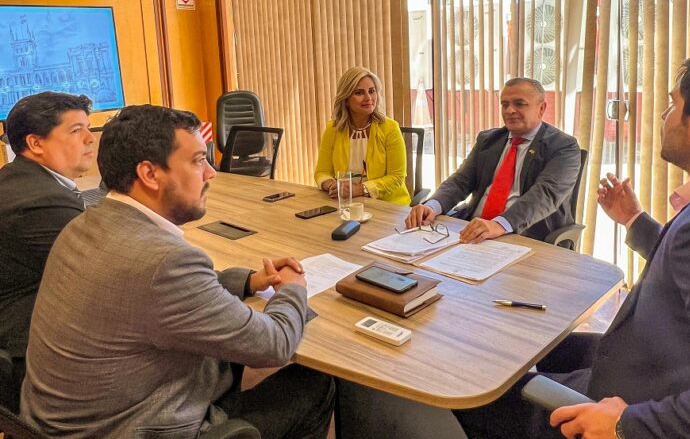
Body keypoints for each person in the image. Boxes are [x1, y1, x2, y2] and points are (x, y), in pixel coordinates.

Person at [454, 46, 690, 439]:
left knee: (464, 388)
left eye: (673, 105)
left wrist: (626, 425)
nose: (664, 116)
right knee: (510, 353)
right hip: (641, 370)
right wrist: (634, 220)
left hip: (613, 406)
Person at [21, 105, 334, 438]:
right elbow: (274, 344)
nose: (211, 173)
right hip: (127, 426)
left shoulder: (83, 225)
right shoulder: (165, 262)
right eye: (199, 160)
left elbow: (150, 294)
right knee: (314, 381)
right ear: (150, 174)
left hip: (59, 423)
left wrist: (244, 282)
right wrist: (292, 289)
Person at [0, 91, 94, 412]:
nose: (90, 139)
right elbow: (110, 272)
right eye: (75, 130)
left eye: (88, 128)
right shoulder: (39, 201)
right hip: (30, 355)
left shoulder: (18, 180)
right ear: (36, 143)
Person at [405, 77, 581, 243]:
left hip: (526, 235)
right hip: (475, 230)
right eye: (505, 104)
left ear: (541, 108)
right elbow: (460, 181)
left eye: (519, 104)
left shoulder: (564, 146)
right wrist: (433, 206)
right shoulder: (489, 139)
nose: (510, 110)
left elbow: (545, 195)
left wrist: (499, 224)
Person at [314, 66, 411, 205]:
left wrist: (360, 189)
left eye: (372, 91)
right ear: (346, 99)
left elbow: (396, 177)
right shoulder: (333, 129)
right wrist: (331, 185)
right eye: (359, 93)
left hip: (388, 206)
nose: (368, 98)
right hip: (346, 204)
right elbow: (321, 172)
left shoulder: (390, 128)